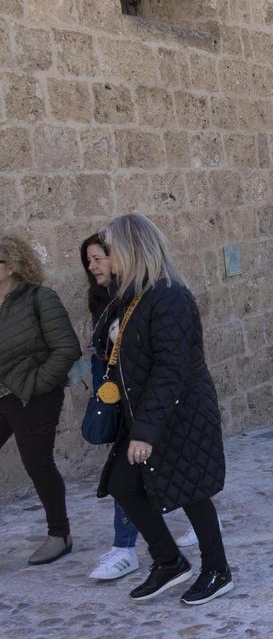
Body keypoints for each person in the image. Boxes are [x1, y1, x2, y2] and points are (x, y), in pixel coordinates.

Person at [96, 214, 232, 604]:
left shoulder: (169, 295)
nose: (106, 256)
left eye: (110, 248)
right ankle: (169, 561)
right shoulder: (133, 295)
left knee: (191, 489)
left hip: (179, 411)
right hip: (148, 411)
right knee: (123, 484)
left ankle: (217, 570)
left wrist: (146, 431)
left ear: (131, 248)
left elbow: (171, 367)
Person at [0, 231, 82, 566]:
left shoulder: (39, 298)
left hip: (33, 397)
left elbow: (67, 349)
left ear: (12, 264)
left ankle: (59, 534)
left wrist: (34, 384)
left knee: (37, 463)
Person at [80, 234, 142, 581]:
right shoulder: (101, 302)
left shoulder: (140, 299)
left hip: (144, 402)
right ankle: (126, 548)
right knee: (129, 474)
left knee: (139, 473)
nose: (93, 266)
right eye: (88, 261)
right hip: (120, 399)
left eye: (98, 258)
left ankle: (127, 549)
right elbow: (100, 354)